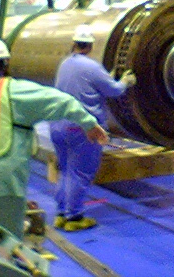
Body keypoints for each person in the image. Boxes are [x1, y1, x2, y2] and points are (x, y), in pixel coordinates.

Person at [0, 37, 108, 239]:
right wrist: (89, 123)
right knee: (5, 241)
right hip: (3, 183)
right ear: (6, 63)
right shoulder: (15, 91)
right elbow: (61, 101)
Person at [50, 24, 137, 232]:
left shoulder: (65, 64)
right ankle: (75, 218)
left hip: (58, 126)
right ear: (90, 46)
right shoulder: (91, 66)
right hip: (82, 130)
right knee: (80, 172)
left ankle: (62, 214)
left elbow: (87, 83)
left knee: (66, 170)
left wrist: (106, 76)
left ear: (74, 44)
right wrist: (124, 81)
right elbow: (115, 91)